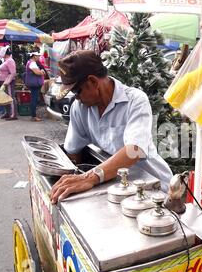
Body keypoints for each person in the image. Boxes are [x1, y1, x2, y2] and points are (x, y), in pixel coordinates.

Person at [50, 50, 173, 203]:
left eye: (77, 91)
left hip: (152, 187)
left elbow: (134, 151)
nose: (77, 98)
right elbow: (73, 152)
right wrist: (71, 178)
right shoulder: (79, 108)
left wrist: (88, 178)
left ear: (93, 82)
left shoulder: (135, 100)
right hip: (117, 185)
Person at [0, 46, 17, 120]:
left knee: (10, 98)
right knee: (5, 98)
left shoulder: (10, 61)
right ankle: (8, 113)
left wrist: (6, 83)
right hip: (3, 82)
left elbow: (13, 73)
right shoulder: (6, 60)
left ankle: (13, 114)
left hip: (8, 82)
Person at [25, 51, 45, 122]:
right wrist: (42, 71)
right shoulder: (32, 63)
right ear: (34, 56)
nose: (39, 57)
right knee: (34, 99)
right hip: (34, 84)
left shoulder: (29, 62)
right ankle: (33, 116)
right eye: (38, 56)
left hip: (33, 83)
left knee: (34, 99)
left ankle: (33, 115)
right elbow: (37, 72)